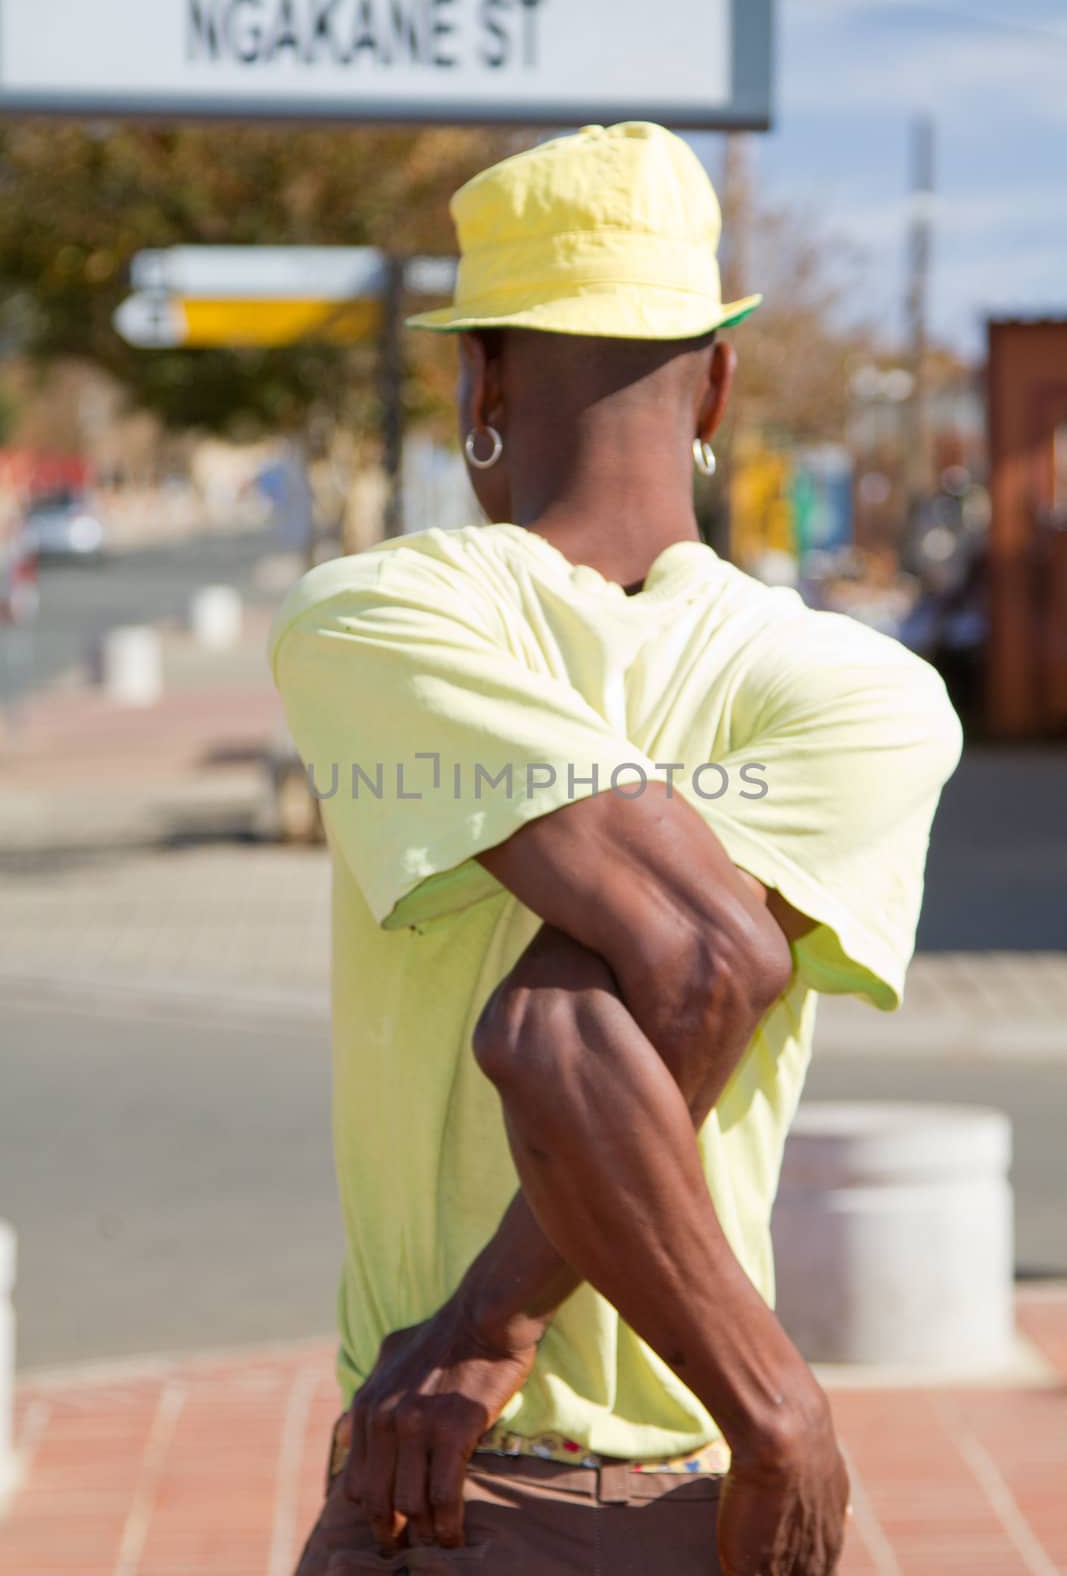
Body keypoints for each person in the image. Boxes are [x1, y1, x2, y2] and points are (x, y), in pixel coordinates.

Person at [272, 123, 962, 1576]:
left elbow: (569, 1030)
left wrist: (476, 1331)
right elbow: (646, 990)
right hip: (701, 1502)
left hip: (435, 1479)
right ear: (718, 377)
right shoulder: (860, 690)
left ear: (482, 380)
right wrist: (770, 1408)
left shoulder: (375, 621)